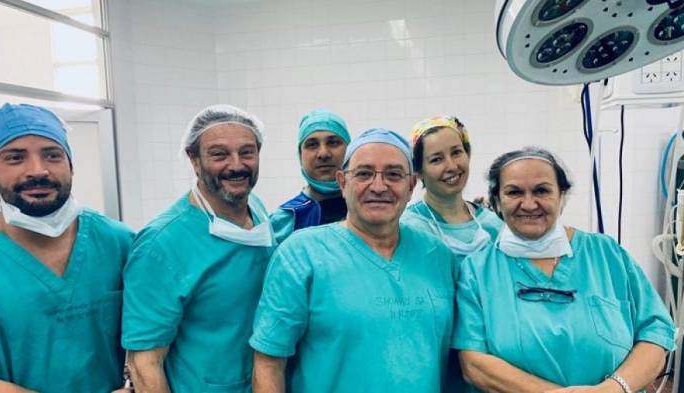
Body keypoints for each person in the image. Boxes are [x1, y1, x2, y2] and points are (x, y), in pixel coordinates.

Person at [453, 146, 675, 392]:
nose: (529, 204)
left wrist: (612, 389)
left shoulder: (606, 254)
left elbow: (655, 333)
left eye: (542, 190)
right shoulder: (477, 271)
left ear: (562, 196)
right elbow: (473, 363)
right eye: (514, 192)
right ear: (497, 201)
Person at [251, 128, 456, 393]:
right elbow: (269, 363)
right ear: (342, 182)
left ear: (411, 185)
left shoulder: (437, 256)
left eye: (394, 175)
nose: (378, 186)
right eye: (364, 174)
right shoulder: (301, 255)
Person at [122, 105, 275, 393]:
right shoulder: (161, 244)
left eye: (247, 152)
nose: (236, 165)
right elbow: (144, 362)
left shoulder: (257, 211)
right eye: (219, 154)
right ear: (194, 159)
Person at [0, 103, 133, 393]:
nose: (37, 170)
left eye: (52, 155)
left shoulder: (122, 243)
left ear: (71, 166)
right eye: (15, 158)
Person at [402, 115, 502, 267]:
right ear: (419, 171)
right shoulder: (407, 228)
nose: (452, 166)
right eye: (436, 159)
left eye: (456, 152)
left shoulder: (494, 224)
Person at [270, 109, 350, 245]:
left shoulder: (370, 209)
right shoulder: (284, 220)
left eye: (333, 142)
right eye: (312, 145)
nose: (323, 154)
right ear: (300, 155)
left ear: (350, 150)